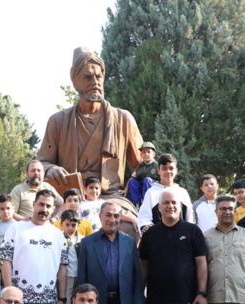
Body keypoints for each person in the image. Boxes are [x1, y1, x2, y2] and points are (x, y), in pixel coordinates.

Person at [38, 47, 143, 199]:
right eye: (87, 77)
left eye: (98, 77)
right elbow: (41, 162)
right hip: (71, 197)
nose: (95, 82)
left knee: (125, 223)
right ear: (75, 81)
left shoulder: (123, 119)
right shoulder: (58, 121)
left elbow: (142, 166)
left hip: (111, 197)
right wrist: (49, 169)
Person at [139, 189, 208, 304]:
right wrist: (139, 294)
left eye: (173, 202)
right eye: (165, 202)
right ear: (159, 207)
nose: (170, 206)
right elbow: (143, 264)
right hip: (155, 303)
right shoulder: (150, 234)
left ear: (180, 206)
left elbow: (201, 262)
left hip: (186, 302)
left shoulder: (193, 231)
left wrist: (201, 293)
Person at [138, 154, 195, 231]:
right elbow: (144, 218)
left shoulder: (182, 193)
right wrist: (145, 226)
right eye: (164, 168)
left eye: (171, 168)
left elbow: (190, 218)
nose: (168, 171)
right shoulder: (151, 193)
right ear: (158, 171)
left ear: (176, 170)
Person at [127, 141, 158, 206]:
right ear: (141, 155)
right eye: (144, 152)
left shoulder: (157, 165)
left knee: (147, 180)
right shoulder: (139, 166)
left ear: (153, 154)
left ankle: (147, 202)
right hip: (142, 188)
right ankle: (137, 204)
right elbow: (132, 177)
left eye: (149, 152)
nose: (146, 154)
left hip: (153, 189)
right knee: (132, 181)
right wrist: (125, 190)